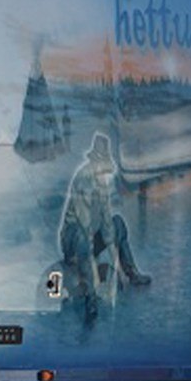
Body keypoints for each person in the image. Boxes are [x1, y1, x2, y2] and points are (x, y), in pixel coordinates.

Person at [59, 131, 150, 325]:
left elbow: (107, 224)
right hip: (74, 238)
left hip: (91, 232)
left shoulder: (101, 184)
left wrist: (116, 265)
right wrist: (98, 281)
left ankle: (131, 272)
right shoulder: (84, 178)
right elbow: (85, 227)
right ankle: (91, 298)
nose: (107, 175)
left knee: (118, 223)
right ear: (97, 164)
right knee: (83, 239)